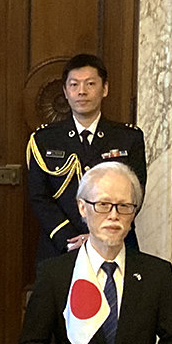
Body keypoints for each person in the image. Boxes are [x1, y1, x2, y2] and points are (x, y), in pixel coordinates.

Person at [16, 162, 172, 344]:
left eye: (124, 206)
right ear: (83, 207)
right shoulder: (55, 273)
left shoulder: (157, 274)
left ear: (133, 213)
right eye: (103, 204)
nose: (113, 216)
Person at [26, 54, 146, 264]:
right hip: (60, 248)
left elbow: (135, 194)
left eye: (90, 84)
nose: (82, 91)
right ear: (65, 91)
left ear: (104, 89)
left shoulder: (128, 138)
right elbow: (39, 197)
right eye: (74, 85)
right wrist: (69, 238)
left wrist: (98, 237)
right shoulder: (44, 140)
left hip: (116, 244)